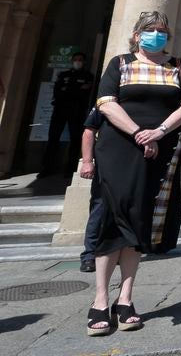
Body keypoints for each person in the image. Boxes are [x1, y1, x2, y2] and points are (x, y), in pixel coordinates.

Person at [87, 11, 181, 336]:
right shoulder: (119, 63)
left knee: (139, 220)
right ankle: (99, 300)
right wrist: (139, 132)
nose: (156, 35)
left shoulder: (178, 66)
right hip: (119, 149)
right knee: (112, 218)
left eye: (162, 31)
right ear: (137, 35)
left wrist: (159, 132)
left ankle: (126, 298)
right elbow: (106, 102)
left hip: (160, 149)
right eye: (150, 30)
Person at [42, 51, 95, 177]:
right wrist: (75, 89)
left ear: (84, 62)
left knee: (75, 139)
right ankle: (47, 168)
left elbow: (83, 92)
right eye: (75, 59)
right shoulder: (64, 75)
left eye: (80, 60)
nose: (77, 62)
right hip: (60, 110)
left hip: (77, 111)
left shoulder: (87, 76)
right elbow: (59, 91)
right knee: (53, 138)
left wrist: (71, 91)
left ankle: (70, 169)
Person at [78, 107, 106, 273]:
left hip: (129, 165)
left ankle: (115, 251)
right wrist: (87, 161)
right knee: (99, 208)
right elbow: (89, 131)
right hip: (105, 165)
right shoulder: (105, 101)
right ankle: (89, 254)